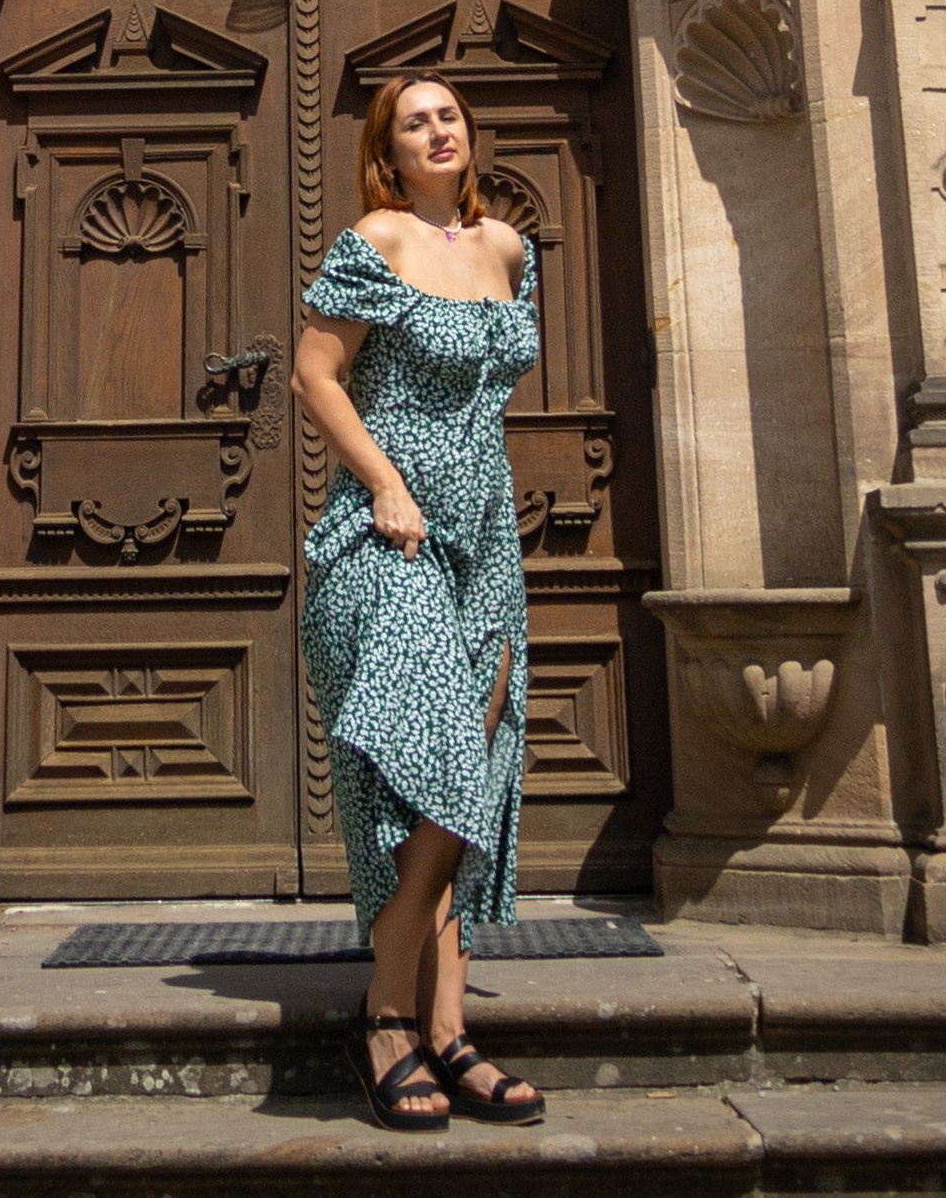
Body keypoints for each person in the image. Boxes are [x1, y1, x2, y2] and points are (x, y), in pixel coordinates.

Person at [292, 72, 546, 1131]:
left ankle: (446, 1029)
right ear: (385, 152)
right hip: (384, 535)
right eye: (413, 121)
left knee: (467, 776)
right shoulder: (376, 239)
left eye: (448, 115)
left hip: (484, 542)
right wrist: (388, 484)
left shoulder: (509, 251)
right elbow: (313, 373)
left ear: (469, 137)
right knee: (435, 757)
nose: (435, 131)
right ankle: (392, 1017)